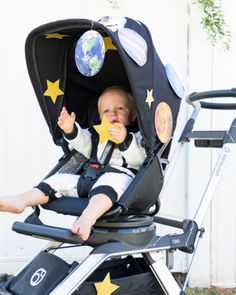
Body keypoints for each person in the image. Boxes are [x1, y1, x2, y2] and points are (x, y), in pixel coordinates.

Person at [0, 86, 146, 241]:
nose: (113, 114)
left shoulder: (136, 137)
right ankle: (21, 200)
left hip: (119, 180)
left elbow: (139, 159)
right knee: (59, 180)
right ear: (100, 116)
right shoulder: (97, 135)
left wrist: (124, 139)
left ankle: (87, 219)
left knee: (109, 182)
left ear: (133, 115)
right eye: (106, 111)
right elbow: (83, 143)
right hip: (90, 177)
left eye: (120, 108)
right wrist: (70, 129)